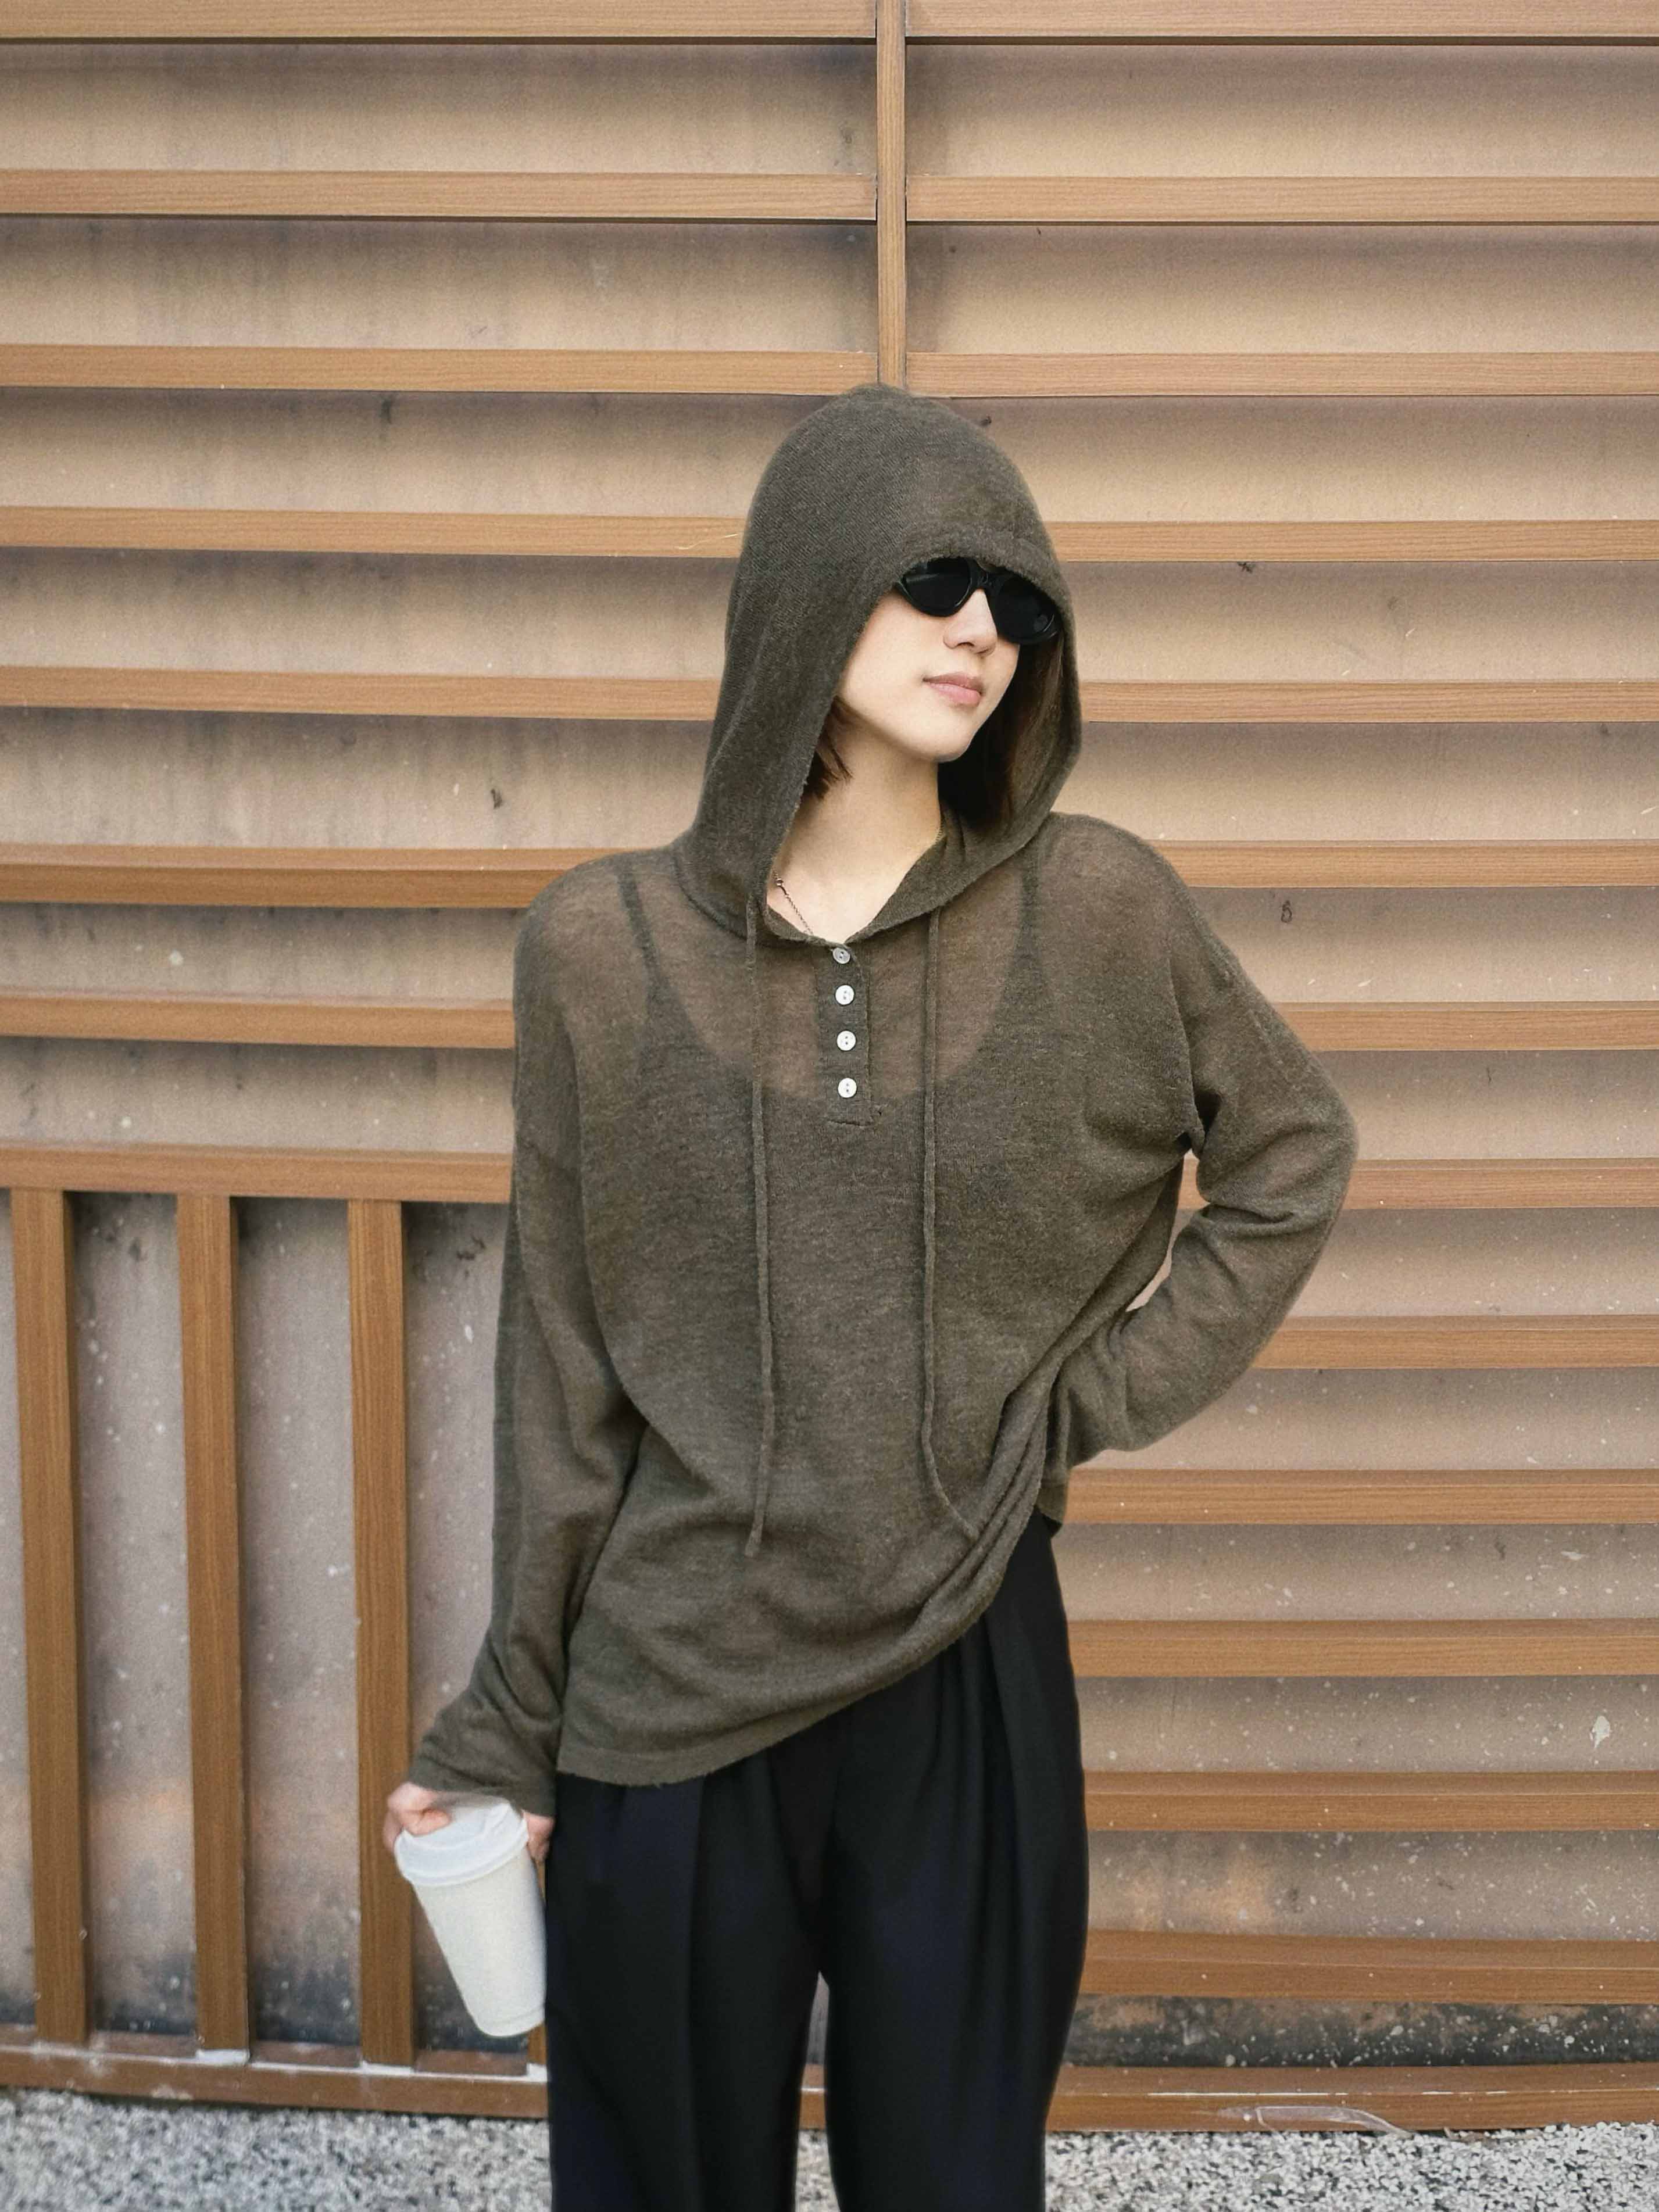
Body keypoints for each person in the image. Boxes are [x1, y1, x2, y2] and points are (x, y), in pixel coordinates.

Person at [383, 381, 1359, 2208]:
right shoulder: (597, 951)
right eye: (935, 578)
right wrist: (504, 1720)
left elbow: (1292, 1155)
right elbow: (561, 1372)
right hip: (668, 1695)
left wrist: (1083, 1402)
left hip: (963, 1663)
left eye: (1019, 601)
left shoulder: (1100, 912)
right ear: (809, 590)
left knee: (955, 2186)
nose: (983, 628)